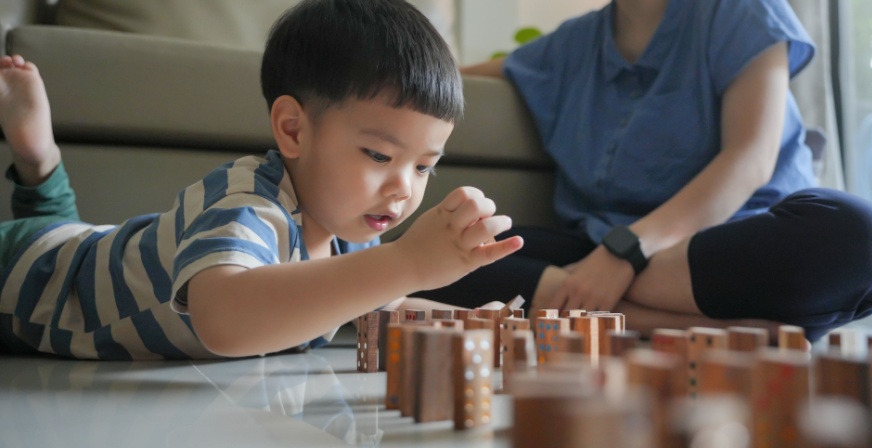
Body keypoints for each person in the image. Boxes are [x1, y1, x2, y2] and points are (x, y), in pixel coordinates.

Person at [0, 0, 523, 360]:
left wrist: (467, 322)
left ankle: (38, 164)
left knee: (71, 244)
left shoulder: (348, 228)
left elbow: (379, 300)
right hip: (20, 273)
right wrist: (407, 261)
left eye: (424, 166)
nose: (404, 187)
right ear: (293, 129)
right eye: (379, 154)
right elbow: (222, 319)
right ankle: (40, 163)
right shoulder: (248, 199)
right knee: (60, 257)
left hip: (76, 257)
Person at [419, 0, 872, 342]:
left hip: (732, 246)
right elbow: (447, 82)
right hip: (596, 247)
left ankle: (605, 311)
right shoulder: (571, 45)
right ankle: (704, 329)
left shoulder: (740, 10)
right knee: (437, 257)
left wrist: (624, 254)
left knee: (866, 238)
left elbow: (749, 161)